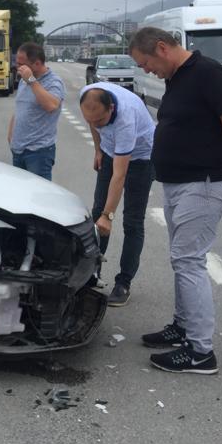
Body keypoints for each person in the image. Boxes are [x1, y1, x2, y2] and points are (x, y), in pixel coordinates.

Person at [129, 27, 222, 374]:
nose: (146, 71)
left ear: (161, 48)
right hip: (180, 182)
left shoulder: (209, 73)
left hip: (204, 183)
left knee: (188, 260)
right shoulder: (180, 78)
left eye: (146, 63)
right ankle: (182, 327)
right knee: (180, 259)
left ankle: (200, 352)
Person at [79, 83, 156, 307]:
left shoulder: (125, 119)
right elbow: (93, 123)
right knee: (96, 216)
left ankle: (123, 283)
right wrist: (98, 150)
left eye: (100, 121)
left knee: (132, 221)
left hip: (142, 158)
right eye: (90, 120)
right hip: (112, 151)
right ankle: (91, 276)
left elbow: (119, 176)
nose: (95, 124)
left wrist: (109, 216)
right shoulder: (89, 99)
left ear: (111, 109)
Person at [7, 42, 64, 180]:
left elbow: (51, 105)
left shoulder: (54, 82)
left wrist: (32, 81)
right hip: (18, 149)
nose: (17, 66)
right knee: (20, 195)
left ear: (37, 64)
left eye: (21, 64)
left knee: (38, 197)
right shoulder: (23, 80)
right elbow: (20, 108)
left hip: (38, 152)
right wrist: (11, 136)